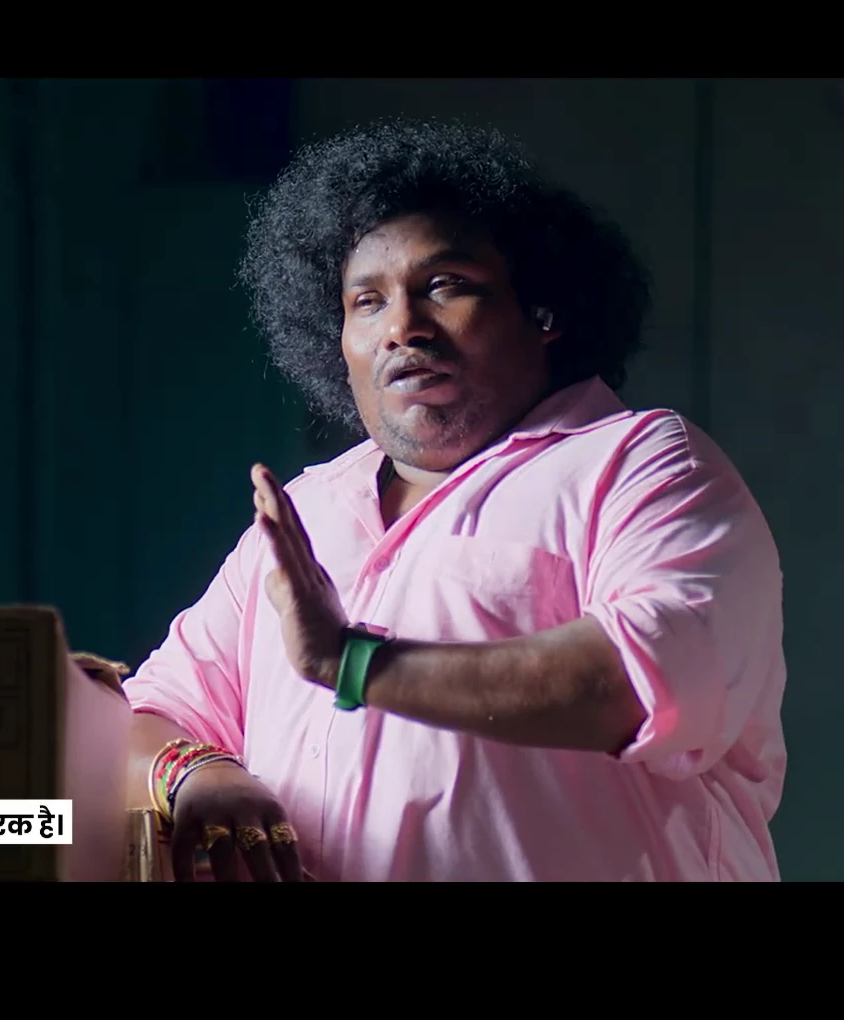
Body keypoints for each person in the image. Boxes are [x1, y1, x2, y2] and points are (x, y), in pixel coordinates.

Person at [123, 118, 787, 882]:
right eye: (366, 302)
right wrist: (202, 775)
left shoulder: (640, 464)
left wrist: (354, 663)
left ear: (543, 311)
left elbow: (645, 683)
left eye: (445, 286)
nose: (402, 328)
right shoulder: (304, 513)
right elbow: (152, 714)